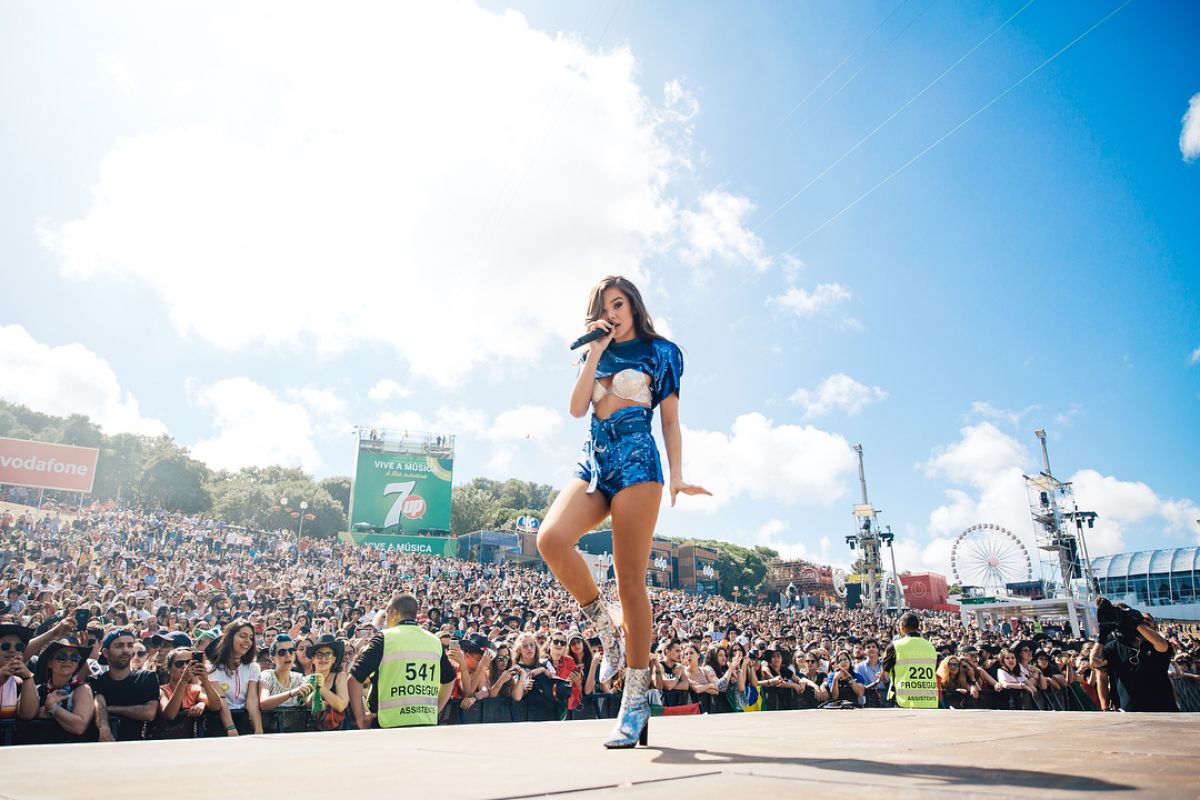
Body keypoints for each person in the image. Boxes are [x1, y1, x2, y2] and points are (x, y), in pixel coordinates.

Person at [536, 275, 709, 749]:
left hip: (638, 462)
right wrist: (594, 350)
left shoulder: (661, 352)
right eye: (603, 308)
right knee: (550, 539)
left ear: (633, 305)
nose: (611, 314)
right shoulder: (593, 351)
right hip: (594, 462)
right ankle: (605, 629)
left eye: (618, 304)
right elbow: (577, 409)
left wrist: (677, 475)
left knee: (630, 581)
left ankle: (634, 699)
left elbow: (669, 420)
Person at [348, 593, 454, 729]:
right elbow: (449, 679)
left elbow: (353, 679)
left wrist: (360, 718)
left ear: (394, 613)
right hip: (426, 723)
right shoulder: (434, 640)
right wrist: (435, 709)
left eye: (387, 613)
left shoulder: (384, 638)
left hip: (387, 724)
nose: (386, 619)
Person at [1091, 603, 1178, 712]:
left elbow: (1162, 645)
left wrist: (1134, 622)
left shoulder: (1155, 644)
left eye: (1148, 621)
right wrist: (1102, 635)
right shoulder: (1113, 647)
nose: (1145, 623)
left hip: (1163, 708)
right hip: (1129, 711)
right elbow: (1095, 663)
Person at [17, 637, 94, 743]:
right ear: (50, 663)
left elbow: (79, 727)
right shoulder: (38, 689)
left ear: (77, 664)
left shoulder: (82, 689)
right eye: (61, 656)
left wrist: (52, 708)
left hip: (68, 750)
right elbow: (25, 715)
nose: (68, 661)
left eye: (74, 657)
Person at [91, 629, 160, 741]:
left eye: (130, 645)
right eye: (119, 646)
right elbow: (100, 705)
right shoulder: (99, 680)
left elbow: (149, 712)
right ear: (106, 653)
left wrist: (112, 709)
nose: (126, 650)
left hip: (138, 745)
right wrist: (104, 729)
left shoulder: (147, 677)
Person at [208, 620, 264, 735]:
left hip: (244, 722)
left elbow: (252, 700)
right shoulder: (212, 667)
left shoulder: (253, 667)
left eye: (250, 637)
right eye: (243, 636)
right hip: (218, 724)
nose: (247, 641)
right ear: (230, 638)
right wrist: (230, 728)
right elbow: (221, 699)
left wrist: (258, 730)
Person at [157, 647, 222, 739]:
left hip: (189, 742)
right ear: (169, 669)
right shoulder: (162, 690)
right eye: (179, 664)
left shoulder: (194, 689)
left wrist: (205, 681)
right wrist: (183, 681)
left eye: (189, 663)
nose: (185, 667)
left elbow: (216, 706)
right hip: (164, 741)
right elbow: (170, 715)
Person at [882, 612, 939, 709]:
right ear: (918, 627)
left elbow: (884, 671)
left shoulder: (896, 646)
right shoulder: (930, 646)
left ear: (902, 627)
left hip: (904, 701)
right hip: (930, 701)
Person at [306, 634, 351, 730]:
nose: (323, 658)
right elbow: (307, 703)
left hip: (339, 732)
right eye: (319, 655)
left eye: (328, 655)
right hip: (312, 731)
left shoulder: (340, 676)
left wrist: (320, 687)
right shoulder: (307, 679)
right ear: (313, 659)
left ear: (334, 659)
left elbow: (341, 706)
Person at [0, 623, 35, 721]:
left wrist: (27, 678)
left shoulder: (19, 682)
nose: (12, 650)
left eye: (19, 647)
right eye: (6, 646)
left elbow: (27, 715)